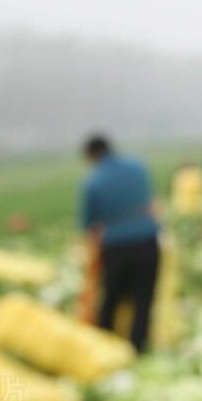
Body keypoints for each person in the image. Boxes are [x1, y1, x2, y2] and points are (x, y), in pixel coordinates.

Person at [79, 133, 160, 353]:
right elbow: (149, 202)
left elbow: (89, 224)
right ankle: (137, 349)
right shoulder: (137, 167)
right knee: (143, 300)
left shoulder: (93, 181)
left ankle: (104, 347)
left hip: (117, 248)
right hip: (148, 241)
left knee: (111, 300)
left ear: (92, 155)